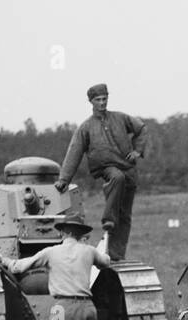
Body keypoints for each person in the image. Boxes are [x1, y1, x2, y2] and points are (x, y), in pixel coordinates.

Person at [55, 83, 147, 262]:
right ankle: (108, 219)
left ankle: (116, 256)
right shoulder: (86, 127)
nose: (102, 102)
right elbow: (75, 151)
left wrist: (137, 151)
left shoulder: (120, 118)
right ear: (91, 102)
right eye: (98, 100)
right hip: (107, 168)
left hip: (129, 170)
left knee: (125, 216)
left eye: (105, 99)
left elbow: (142, 128)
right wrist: (64, 179)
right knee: (116, 178)